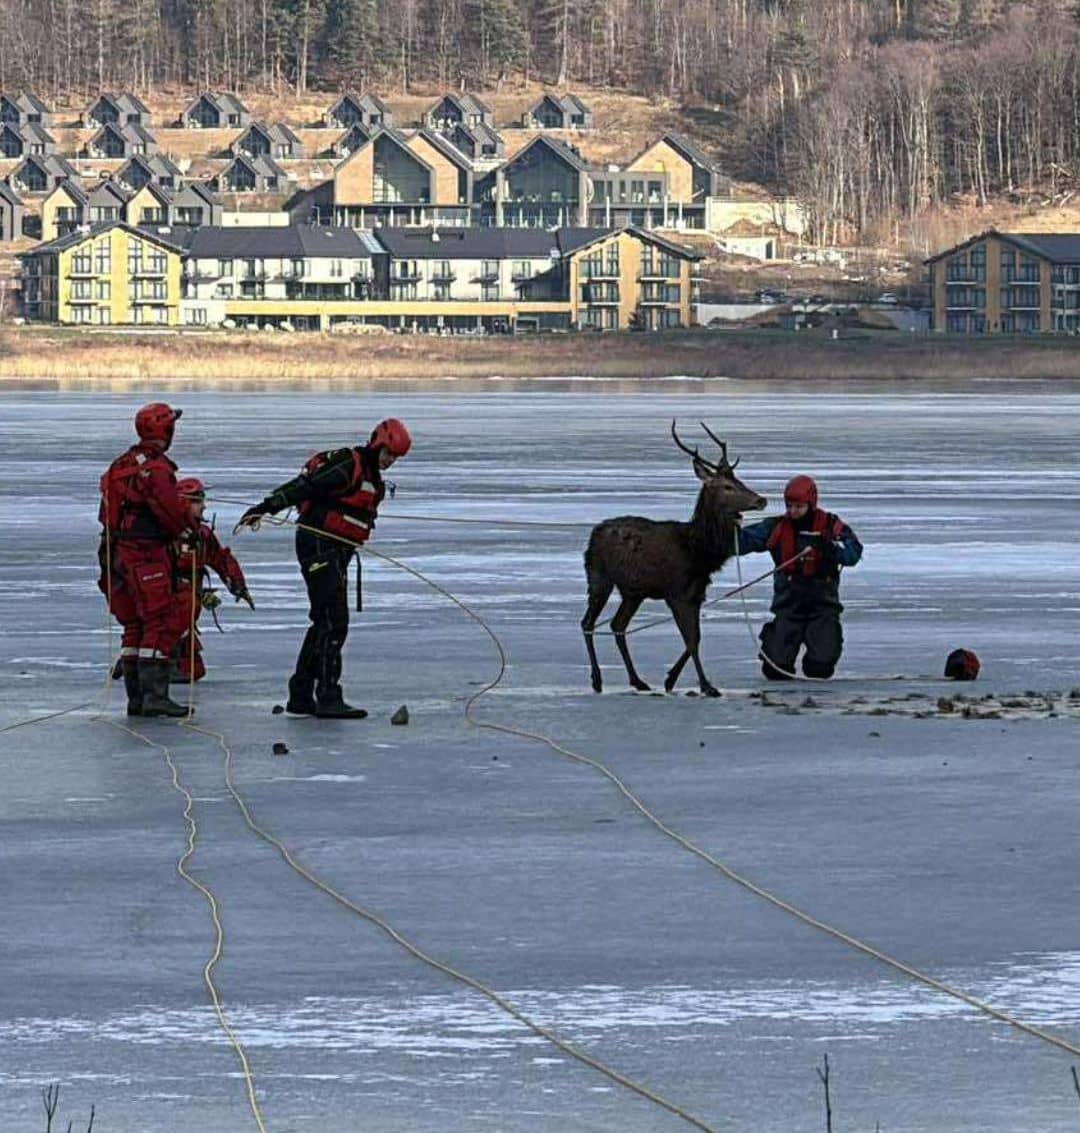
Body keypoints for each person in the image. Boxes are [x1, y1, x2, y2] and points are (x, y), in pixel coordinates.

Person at [236, 418, 412, 718]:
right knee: (334, 621)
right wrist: (266, 507)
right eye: (388, 454)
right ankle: (328, 695)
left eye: (395, 458)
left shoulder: (373, 477)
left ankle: (301, 695)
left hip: (337, 552)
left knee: (324, 621)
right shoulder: (348, 464)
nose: (390, 461)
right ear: (377, 443)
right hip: (317, 545)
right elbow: (305, 487)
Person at [99, 403, 192, 717]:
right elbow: (172, 513)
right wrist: (188, 531)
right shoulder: (156, 468)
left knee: (134, 623)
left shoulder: (120, 464)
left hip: (116, 552)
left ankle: (137, 699)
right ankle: (154, 697)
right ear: (166, 430)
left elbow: (107, 514)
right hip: (145, 553)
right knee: (157, 620)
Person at [737, 474, 862, 680]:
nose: (793, 512)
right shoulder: (775, 527)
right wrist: (726, 525)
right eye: (790, 506)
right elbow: (741, 542)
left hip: (822, 608)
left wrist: (830, 549)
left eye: (799, 507)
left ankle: (822, 652)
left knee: (819, 670)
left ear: (811, 504)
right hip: (788, 608)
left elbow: (853, 553)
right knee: (775, 670)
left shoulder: (831, 525)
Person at [169, 477, 254, 683]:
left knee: (195, 672)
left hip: (189, 597)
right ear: (183, 503)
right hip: (168, 601)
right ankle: (145, 664)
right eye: (198, 501)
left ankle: (150, 663)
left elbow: (221, 559)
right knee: (169, 629)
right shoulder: (166, 534)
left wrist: (238, 586)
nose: (204, 506)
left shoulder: (202, 534)